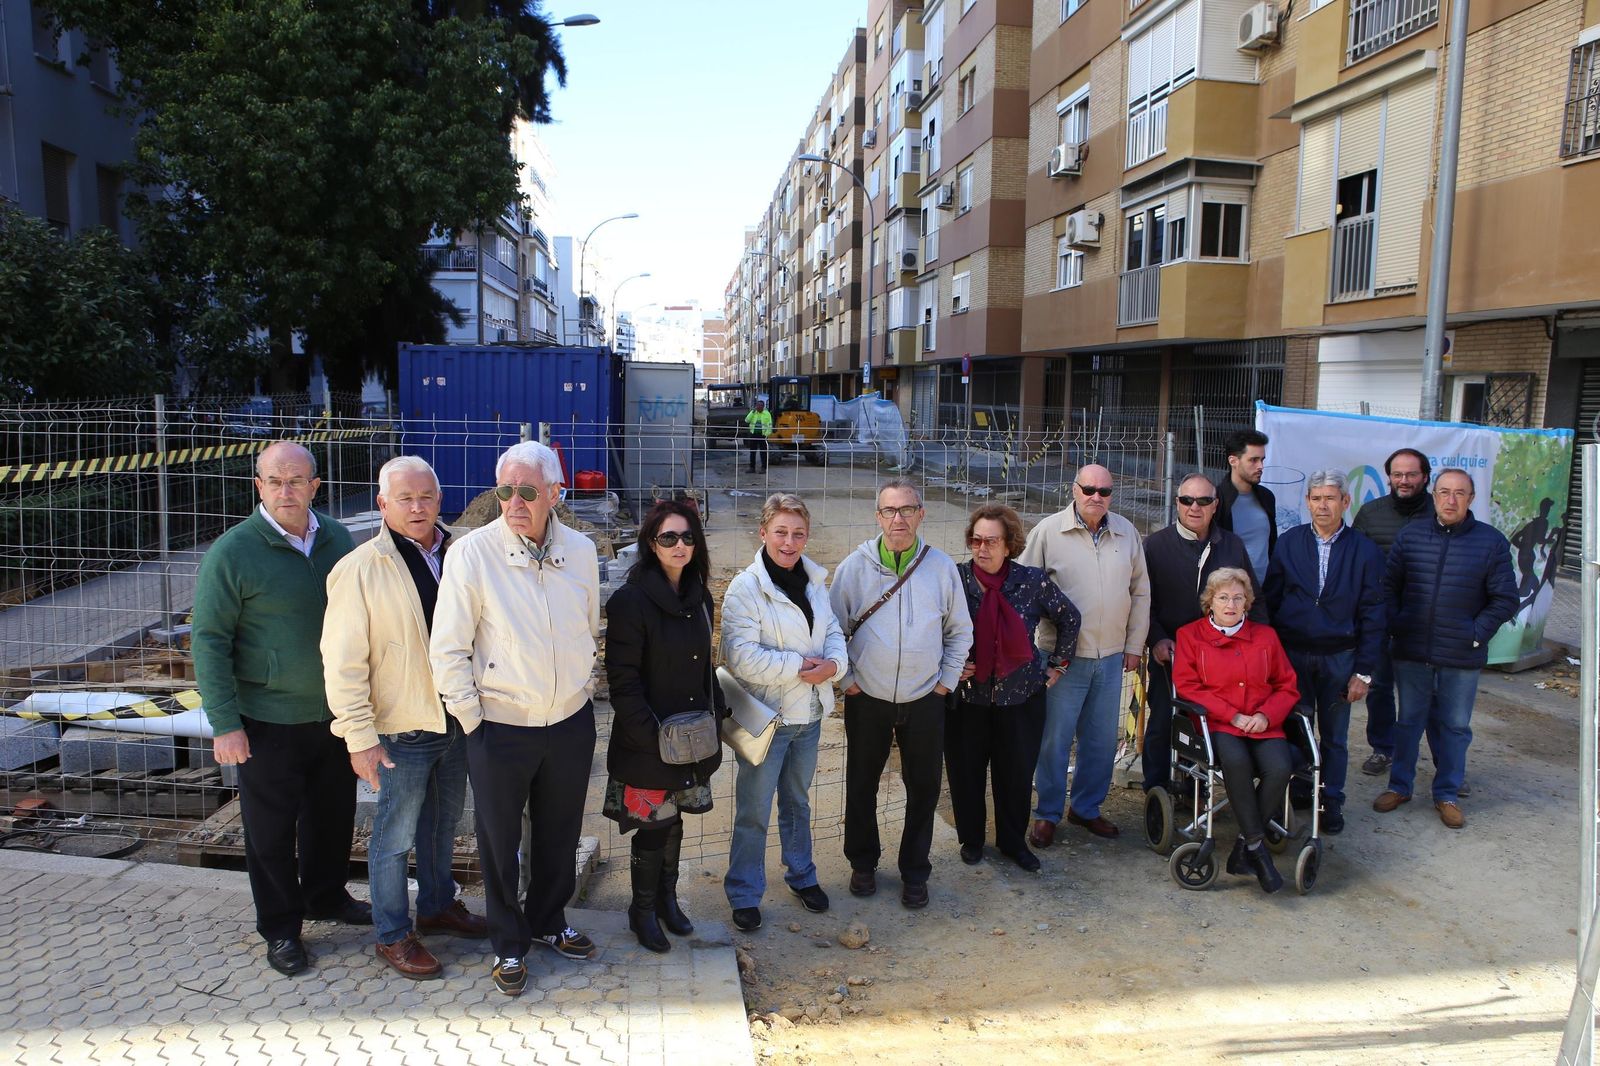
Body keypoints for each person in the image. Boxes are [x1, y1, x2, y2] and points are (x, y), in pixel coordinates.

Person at [430, 440, 601, 997]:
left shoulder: (581, 550)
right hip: (499, 726)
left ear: (556, 493)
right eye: (506, 490)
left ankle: (549, 919)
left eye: (528, 491)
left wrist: (583, 687)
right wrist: (471, 718)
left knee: (560, 831)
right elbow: (448, 648)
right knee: (499, 842)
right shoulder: (471, 554)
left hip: (569, 721)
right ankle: (508, 942)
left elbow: (588, 626)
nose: (514, 502)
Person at [192, 440, 359, 977]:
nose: (286, 490)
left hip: (334, 715)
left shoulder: (337, 539)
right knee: (270, 832)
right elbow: (209, 641)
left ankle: (326, 897)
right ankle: (282, 928)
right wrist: (225, 723)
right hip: (266, 720)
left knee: (332, 819)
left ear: (315, 485)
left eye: (297, 480)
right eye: (275, 481)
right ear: (259, 486)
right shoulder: (233, 553)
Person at [323, 456, 486, 981]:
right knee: (394, 836)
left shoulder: (463, 551)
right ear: (382, 504)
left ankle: (437, 906)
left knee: (442, 823)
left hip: (455, 719)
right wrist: (358, 736)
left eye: (426, 497)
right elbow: (343, 662)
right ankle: (393, 932)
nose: (417, 508)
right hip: (402, 727)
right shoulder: (360, 569)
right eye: (405, 499)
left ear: (440, 500)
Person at [830, 478, 972, 909]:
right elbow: (832, 632)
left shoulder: (941, 568)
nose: (899, 518)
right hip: (867, 695)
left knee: (924, 787)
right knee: (861, 783)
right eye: (890, 510)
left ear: (921, 514)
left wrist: (945, 683)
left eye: (907, 510)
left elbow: (959, 631)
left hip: (925, 696)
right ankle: (862, 863)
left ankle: (915, 871)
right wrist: (848, 682)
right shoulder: (854, 568)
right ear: (878, 516)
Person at [720, 493, 848, 931]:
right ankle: (744, 892)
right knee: (754, 810)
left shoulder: (815, 581)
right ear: (763, 533)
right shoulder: (745, 589)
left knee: (798, 802)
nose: (789, 542)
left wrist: (834, 666)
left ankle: (802, 875)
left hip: (809, 715)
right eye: (780, 532)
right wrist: (801, 666)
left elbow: (832, 631)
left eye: (797, 534)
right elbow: (742, 658)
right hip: (768, 719)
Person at [604, 500, 727, 953]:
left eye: (688, 537)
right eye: (668, 537)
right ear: (651, 544)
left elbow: (704, 667)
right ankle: (641, 910)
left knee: (675, 822)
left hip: (692, 737)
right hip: (650, 740)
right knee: (653, 826)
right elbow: (623, 681)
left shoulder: (700, 598)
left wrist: (717, 714)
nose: (680, 545)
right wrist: (650, 738)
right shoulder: (630, 602)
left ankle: (666, 901)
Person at [1374, 470, 1518, 830]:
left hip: (1461, 655)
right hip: (1412, 650)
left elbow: (1505, 598)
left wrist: (1475, 633)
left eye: (1459, 493)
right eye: (1444, 492)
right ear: (1433, 495)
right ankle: (1400, 786)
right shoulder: (1412, 535)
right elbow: (1388, 587)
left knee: (1455, 726)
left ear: (1471, 498)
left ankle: (1447, 793)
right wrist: (1397, 623)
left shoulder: (1490, 542)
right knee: (1408, 722)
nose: (1450, 500)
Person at [1020, 464, 1150, 844]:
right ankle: (1047, 813)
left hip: (1110, 657)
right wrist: (1028, 652)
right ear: (1074, 489)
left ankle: (1086, 808)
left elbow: (1140, 591)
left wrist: (1134, 644)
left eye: (1104, 491)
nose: (1096, 497)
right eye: (1089, 489)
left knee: (1100, 741)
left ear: (1112, 495)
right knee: (1054, 740)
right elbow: (1023, 592)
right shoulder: (1048, 532)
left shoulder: (1127, 533)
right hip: (1061, 659)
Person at [950, 504, 1081, 872]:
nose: (982, 548)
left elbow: (1070, 617)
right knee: (966, 774)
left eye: (992, 541)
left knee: (1015, 776)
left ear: (1009, 545)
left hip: (1021, 697)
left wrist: (1058, 664)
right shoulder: (955, 579)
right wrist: (948, 664)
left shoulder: (1031, 581)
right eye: (976, 540)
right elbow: (932, 627)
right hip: (968, 698)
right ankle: (971, 840)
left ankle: (1012, 843)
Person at [1262, 470, 1385, 834]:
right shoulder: (1290, 542)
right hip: (1293, 655)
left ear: (1345, 502)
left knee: (1334, 736)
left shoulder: (1365, 551)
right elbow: (1272, 599)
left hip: (1339, 657)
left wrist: (1363, 672)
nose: (1322, 506)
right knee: (1295, 728)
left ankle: (1331, 801)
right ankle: (1300, 789)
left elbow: (1374, 613)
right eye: (1316, 499)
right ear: (1307, 502)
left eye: (1330, 498)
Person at [1172, 568, 1301, 893]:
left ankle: (1246, 844)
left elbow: (1287, 685)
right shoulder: (1190, 636)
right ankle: (1258, 849)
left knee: (1280, 767)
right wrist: (1232, 715)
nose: (1231, 605)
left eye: (1238, 598)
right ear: (1210, 602)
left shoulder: (1266, 637)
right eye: (1223, 597)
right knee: (1237, 762)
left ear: (1247, 603)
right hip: (1218, 723)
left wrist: (1266, 715)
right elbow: (1187, 686)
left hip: (1263, 724)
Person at [1141, 474, 1261, 794]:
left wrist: (1258, 647)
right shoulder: (1155, 546)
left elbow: (1253, 600)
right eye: (1186, 500)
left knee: (1205, 722)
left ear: (1215, 505)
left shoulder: (1232, 546)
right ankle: (1157, 790)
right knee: (1163, 720)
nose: (1194, 507)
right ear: (1177, 503)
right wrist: (1156, 638)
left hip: (1221, 657)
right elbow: (1141, 601)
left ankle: (1195, 788)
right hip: (1171, 653)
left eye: (1203, 500)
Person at [1351, 447, 1435, 777]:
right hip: (1381, 619)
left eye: (1411, 474)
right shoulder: (1371, 513)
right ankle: (1383, 749)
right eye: (1397, 474)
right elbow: (1355, 562)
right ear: (1388, 477)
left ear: (1425, 477)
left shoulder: (1440, 512)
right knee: (1380, 688)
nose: (1404, 480)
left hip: (1427, 621)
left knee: (1429, 695)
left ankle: (1443, 763)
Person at [1215, 429, 1277, 585]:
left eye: (1262, 460)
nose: (1260, 466)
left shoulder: (1267, 497)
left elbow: (1271, 545)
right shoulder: (1216, 500)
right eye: (1253, 460)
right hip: (1230, 591)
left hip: (1265, 590)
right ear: (1233, 461)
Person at [745, 398, 772, 472]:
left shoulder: (767, 414)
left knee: (763, 452)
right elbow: (747, 420)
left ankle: (763, 468)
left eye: (760, 406)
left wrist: (766, 434)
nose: (759, 407)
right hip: (753, 434)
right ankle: (752, 468)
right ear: (756, 406)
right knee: (752, 452)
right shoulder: (753, 412)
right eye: (757, 405)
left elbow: (769, 425)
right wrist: (752, 412)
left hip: (762, 435)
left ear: (763, 407)